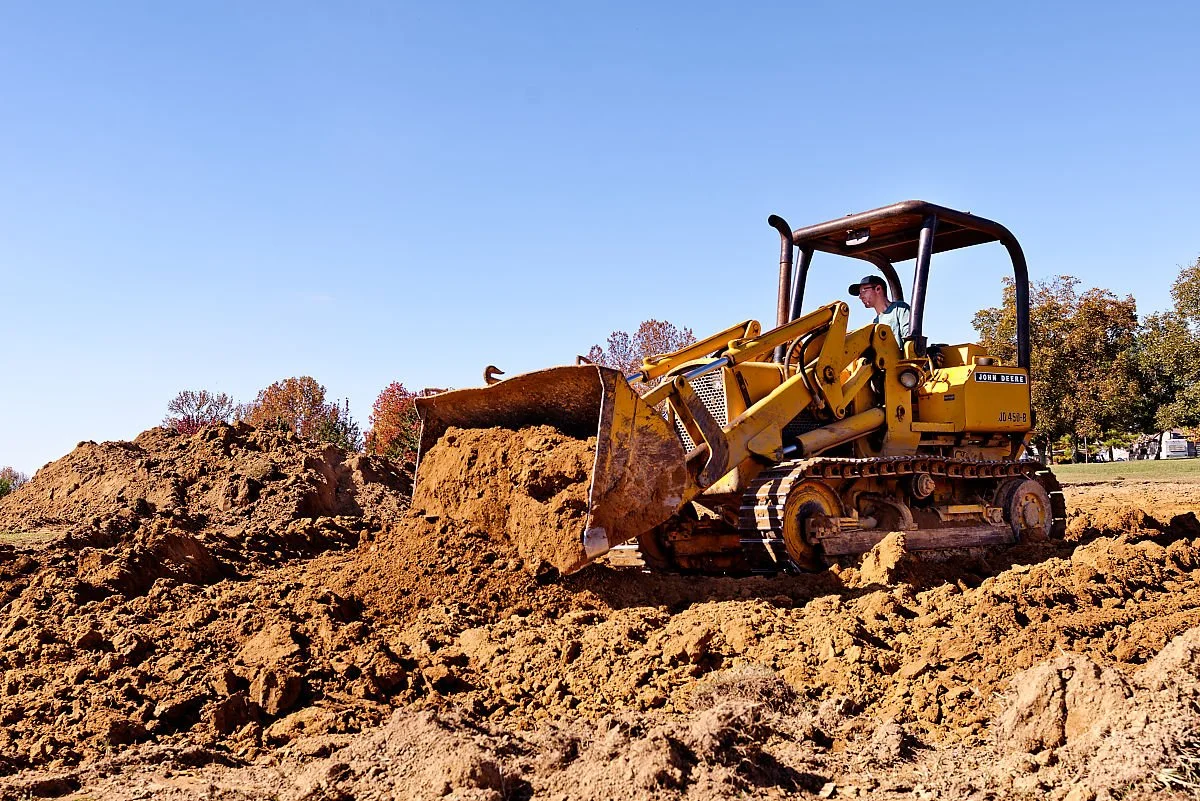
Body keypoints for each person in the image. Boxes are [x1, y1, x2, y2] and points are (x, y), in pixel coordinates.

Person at [848, 275, 911, 344]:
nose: (860, 297)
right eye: (859, 293)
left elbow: (910, 338)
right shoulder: (873, 324)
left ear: (878, 289)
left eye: (863, 291)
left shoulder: (900, 309)